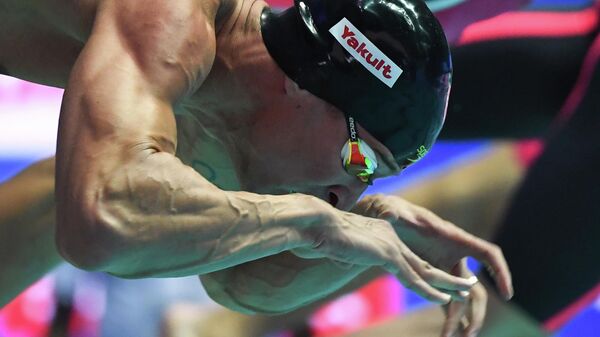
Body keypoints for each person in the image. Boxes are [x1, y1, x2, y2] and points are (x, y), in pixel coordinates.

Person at [0, 0, 513, 323]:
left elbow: (240, 283)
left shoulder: (233, 111)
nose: (344, 195)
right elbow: (96, 223)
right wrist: (311, 224)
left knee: (85, 185)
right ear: (309, 80)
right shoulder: (171, 17)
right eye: (359, 160)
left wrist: (370, 232)